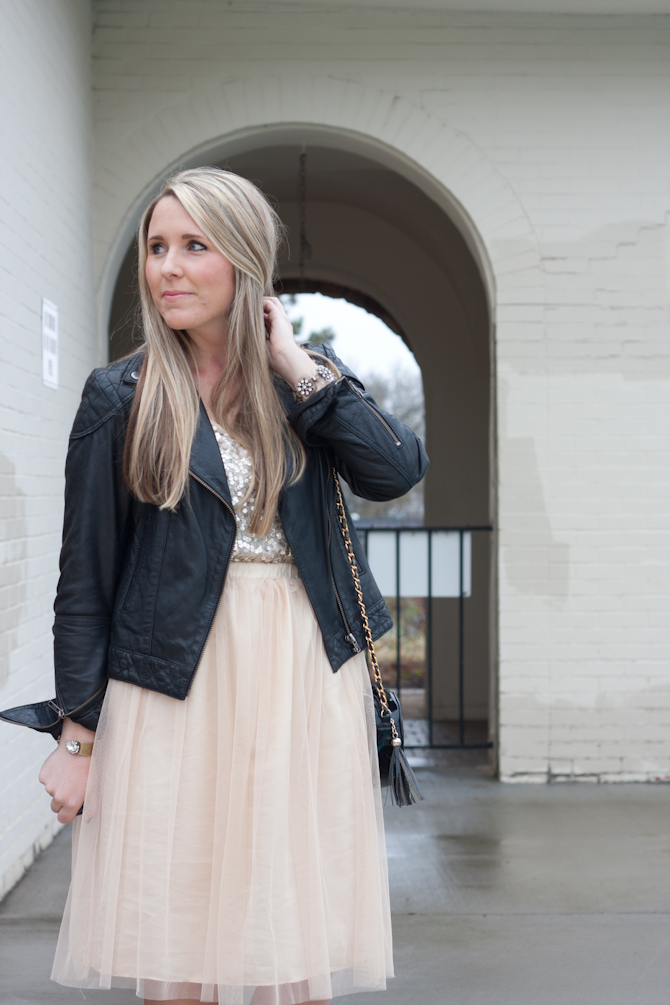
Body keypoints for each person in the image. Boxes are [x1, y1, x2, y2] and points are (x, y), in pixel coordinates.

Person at [0, 167, 429, 1005]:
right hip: (171, 683)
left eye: (195, 246)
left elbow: (395, 468)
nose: (168, 267)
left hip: (302, 679)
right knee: (178, 943)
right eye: (157, 247)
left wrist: (292, 361)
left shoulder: (303, 382)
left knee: (291, 943)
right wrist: (77, 738)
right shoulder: (120, 396)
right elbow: (84, 581)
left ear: (244, 262)